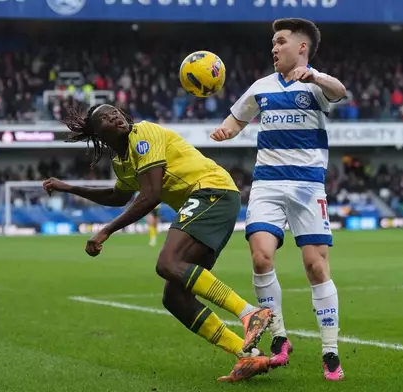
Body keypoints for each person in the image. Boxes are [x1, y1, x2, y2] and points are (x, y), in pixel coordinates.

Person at [42, 104, 274, 382]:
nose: (114, 115)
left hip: (211, 190)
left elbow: (151, 194)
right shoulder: (122, 162)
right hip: (210, 200)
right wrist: (70, 187)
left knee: (167, 263)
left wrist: (106, 231)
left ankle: (249, 312)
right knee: (174, 297)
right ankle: (247, 355)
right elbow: (118, 196)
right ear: (97, 133)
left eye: (115, 111)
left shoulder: (143, 132)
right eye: (105, 117)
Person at [210, 18, 347, 381]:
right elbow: (237, 118)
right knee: (260, 256)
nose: (274, 48)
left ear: (302, 47)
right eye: (273, 43)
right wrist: (227, 129)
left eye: (281, 42)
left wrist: (315, 76)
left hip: (307, 187)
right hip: (267, 183)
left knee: (316, 267)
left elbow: (340, 91)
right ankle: (279, 337)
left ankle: (330, 352)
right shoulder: (262, 87)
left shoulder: (316, 84)